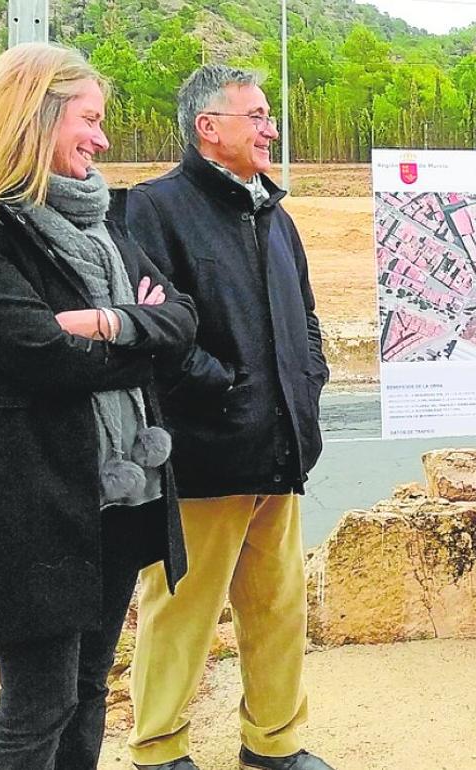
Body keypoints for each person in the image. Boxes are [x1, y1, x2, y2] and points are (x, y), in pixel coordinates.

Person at [123, 65, 331, 770]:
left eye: (269, 115)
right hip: (203, 453)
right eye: (257, 115)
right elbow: (153, 333)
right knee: (181, 611)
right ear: (208, 129)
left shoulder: (275, 214)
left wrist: (307, 385)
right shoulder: (155, 207)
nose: (271, 128)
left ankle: (273, 744)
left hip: (280, 447)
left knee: (276, 606)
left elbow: (304, 318)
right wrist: (229, 390)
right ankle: (158, 750)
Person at [0, 42, 197, 770]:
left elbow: (180, 320)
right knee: (36, 705)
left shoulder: (103, 223)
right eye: (89, 119)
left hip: (117, 502)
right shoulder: (1, 229)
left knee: (86, 688)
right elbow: (39, 355)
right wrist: (136, 330)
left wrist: (109, 322)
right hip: (35, 509)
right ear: (36, 116)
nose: (103, 139)